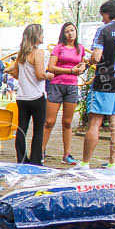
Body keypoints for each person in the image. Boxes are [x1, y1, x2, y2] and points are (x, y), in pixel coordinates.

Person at [81, 0, 115, 169]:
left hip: (105, 81)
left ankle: (85, 163)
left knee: (95, 122)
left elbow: (96, 56)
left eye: (103, 16)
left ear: (108, 14)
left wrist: (88, 62)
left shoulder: (104, 30)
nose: (102, 20)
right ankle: (112, 164)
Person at [42, 22, 86, 165]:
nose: (70, 34)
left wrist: (81, 67)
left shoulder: (80, 48)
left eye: (72, 30)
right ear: (63, 34)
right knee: (49, 121)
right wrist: (70, 71)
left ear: (76, 32)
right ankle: (40, 151)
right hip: (57, 85)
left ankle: (67, 154)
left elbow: (82, 64)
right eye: (67, 31)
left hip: (72, 87)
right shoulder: (58, 48)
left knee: (67, 122)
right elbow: (51, 67)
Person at [9, 23, 52, 165]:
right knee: (38, 129)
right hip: (36, 96)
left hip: (22, 97)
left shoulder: (21, 53)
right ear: (36, 36)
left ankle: (21, 158)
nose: (43, 36)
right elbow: (40, 75)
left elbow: (15, 73)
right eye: (42, 34)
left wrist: (25, 79)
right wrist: (49, 75)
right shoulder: (38, 53)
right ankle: (35, 160)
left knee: (22, 129)